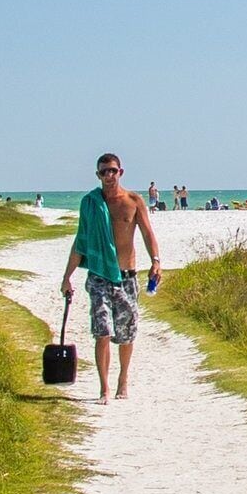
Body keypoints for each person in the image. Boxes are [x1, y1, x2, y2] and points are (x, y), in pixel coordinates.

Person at [62, 151, 160, 400]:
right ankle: (104, 386)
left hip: (126, 277)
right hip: (98, 276)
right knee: (102, 331)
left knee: (126, 334)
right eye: (104, 171)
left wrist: (155, 262)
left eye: (113, 170)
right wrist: (67, 277)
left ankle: (123, 379)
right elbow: (80, 242)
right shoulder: (91, 203)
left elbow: (148, 234)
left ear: (121, 172)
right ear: (98, 175)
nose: (108, 175)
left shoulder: (134, 201)